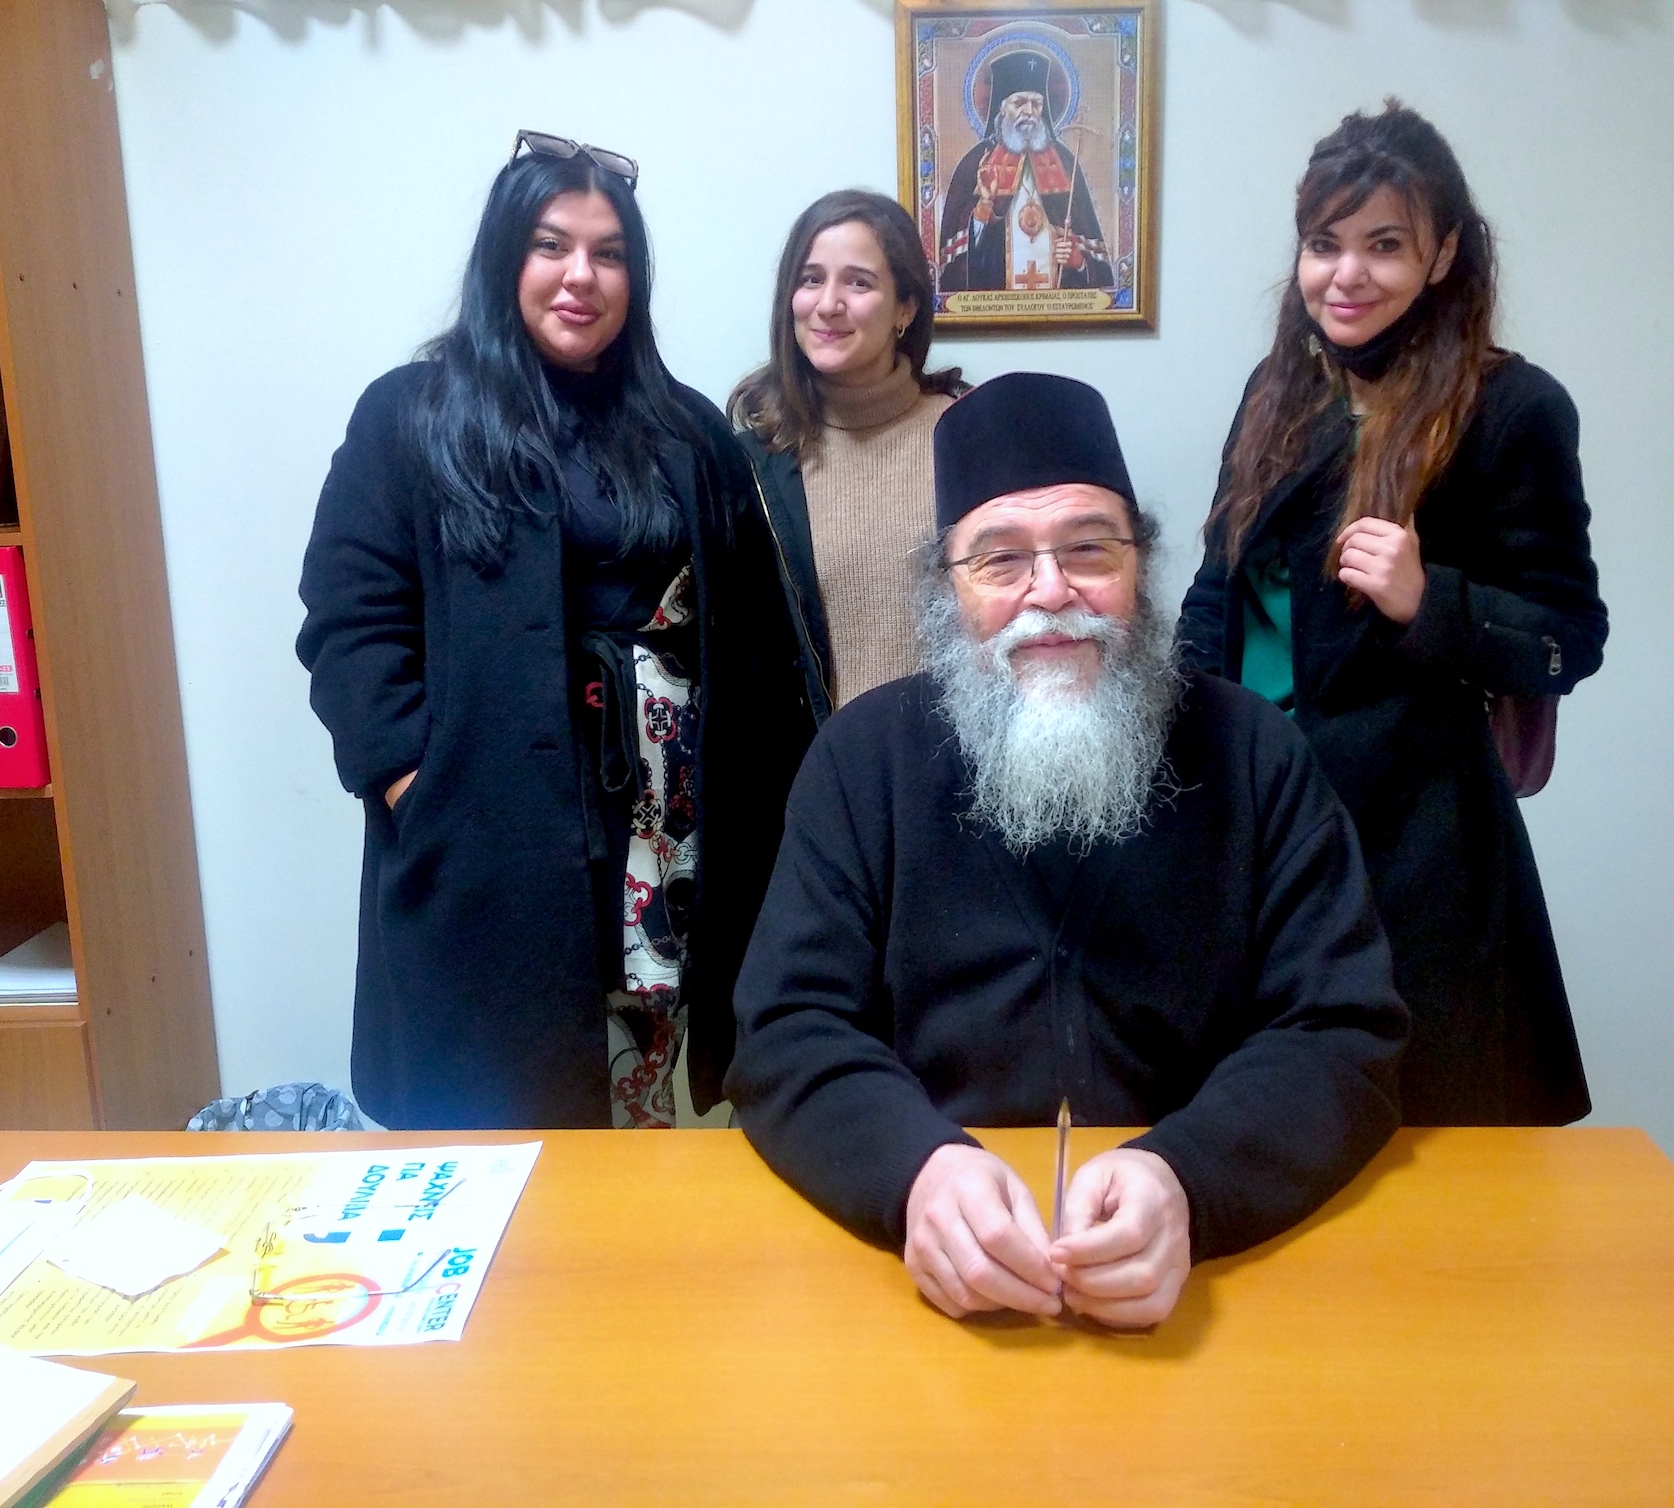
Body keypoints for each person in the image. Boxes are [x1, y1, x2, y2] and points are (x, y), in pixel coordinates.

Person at [726, 372, 1407, 1329]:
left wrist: (1189, 1178)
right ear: (947, 587)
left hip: (1214, 1271)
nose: (1051, 593)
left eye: (1089, 548)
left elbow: (1344, 1028)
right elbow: (786, 1028)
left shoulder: (1254, 752)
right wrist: (916, 1171)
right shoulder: (862, 759)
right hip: (923, 1276)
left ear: (1141, 564)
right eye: (999, 560)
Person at [297, 131, 811, 1131]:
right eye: (551, 245)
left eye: (609, 253)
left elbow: (755, 636)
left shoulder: (690, 431)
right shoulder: (410, 417)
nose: (582, 275)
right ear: (505, 258)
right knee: (497, 1120)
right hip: (485, 832)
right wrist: (414, 781)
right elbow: (349, 618)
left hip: (670, 835)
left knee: (653, 1107)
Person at [1178, 101, 1609, 1127]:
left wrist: (1431, 601)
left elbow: (1570, 636)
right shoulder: (1278, 391)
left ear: (1443, 253)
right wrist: (1179, 717)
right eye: (1324, 244)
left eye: (1384, 245)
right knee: (1270, 1118)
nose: (1347, 275)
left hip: (1422, 851)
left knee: (1426, 1134)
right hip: (1265, 813)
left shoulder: (1512, 408)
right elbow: (1219, 582)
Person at [730, 191, 966, 719]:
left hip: (949, 755)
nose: (828, 304)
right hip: (814, 762)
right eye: (811, 279)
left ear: (905, 308)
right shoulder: (751, 464)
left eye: (858, 283)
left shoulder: (968, 435)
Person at [936, 50, 1114, 294]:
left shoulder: (1064, 162)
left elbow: (1097, 268)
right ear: (1001, 109)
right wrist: (984, 207)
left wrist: (1079, 262)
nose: (1029, 111)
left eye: (1036, 103)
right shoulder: (977, 162)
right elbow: (958, 264)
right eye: (1019, 103)